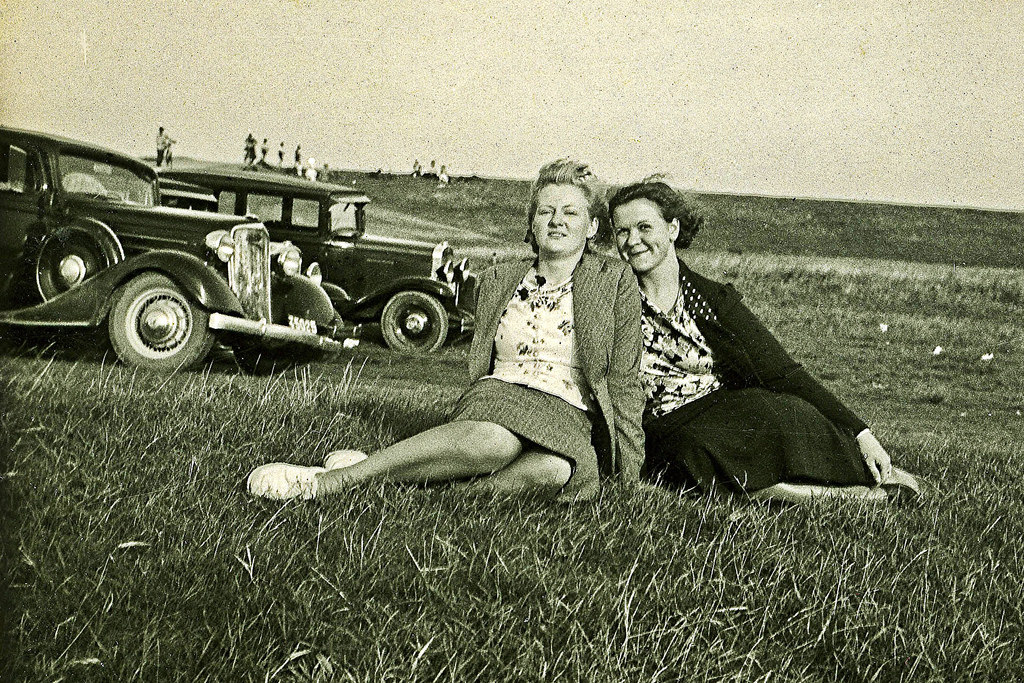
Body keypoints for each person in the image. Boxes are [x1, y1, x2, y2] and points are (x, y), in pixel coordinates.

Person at [247, 159, 645, 502]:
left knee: (555, 471)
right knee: (496, 442)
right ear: (532, 223)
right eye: (546, 211)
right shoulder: (499, 279)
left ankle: (428, 492)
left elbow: (624, 378)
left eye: (571, 212)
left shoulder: (614, 281)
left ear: (592, 227)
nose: (557, 220)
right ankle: (329, 483)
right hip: (500, 395)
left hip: (568, 411)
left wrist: (628, 467)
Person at [607, 178, 922, 504]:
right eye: (622, 231)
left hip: (724, 411)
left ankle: (881, 478)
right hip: (663, 427)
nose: (633, 241)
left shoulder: (712, 300)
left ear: (672, 229)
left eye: (644, 227)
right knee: (694, 450)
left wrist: (862, 434)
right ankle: (852, 499)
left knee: (784, 412)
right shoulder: (612, 299)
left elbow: (783, 372)